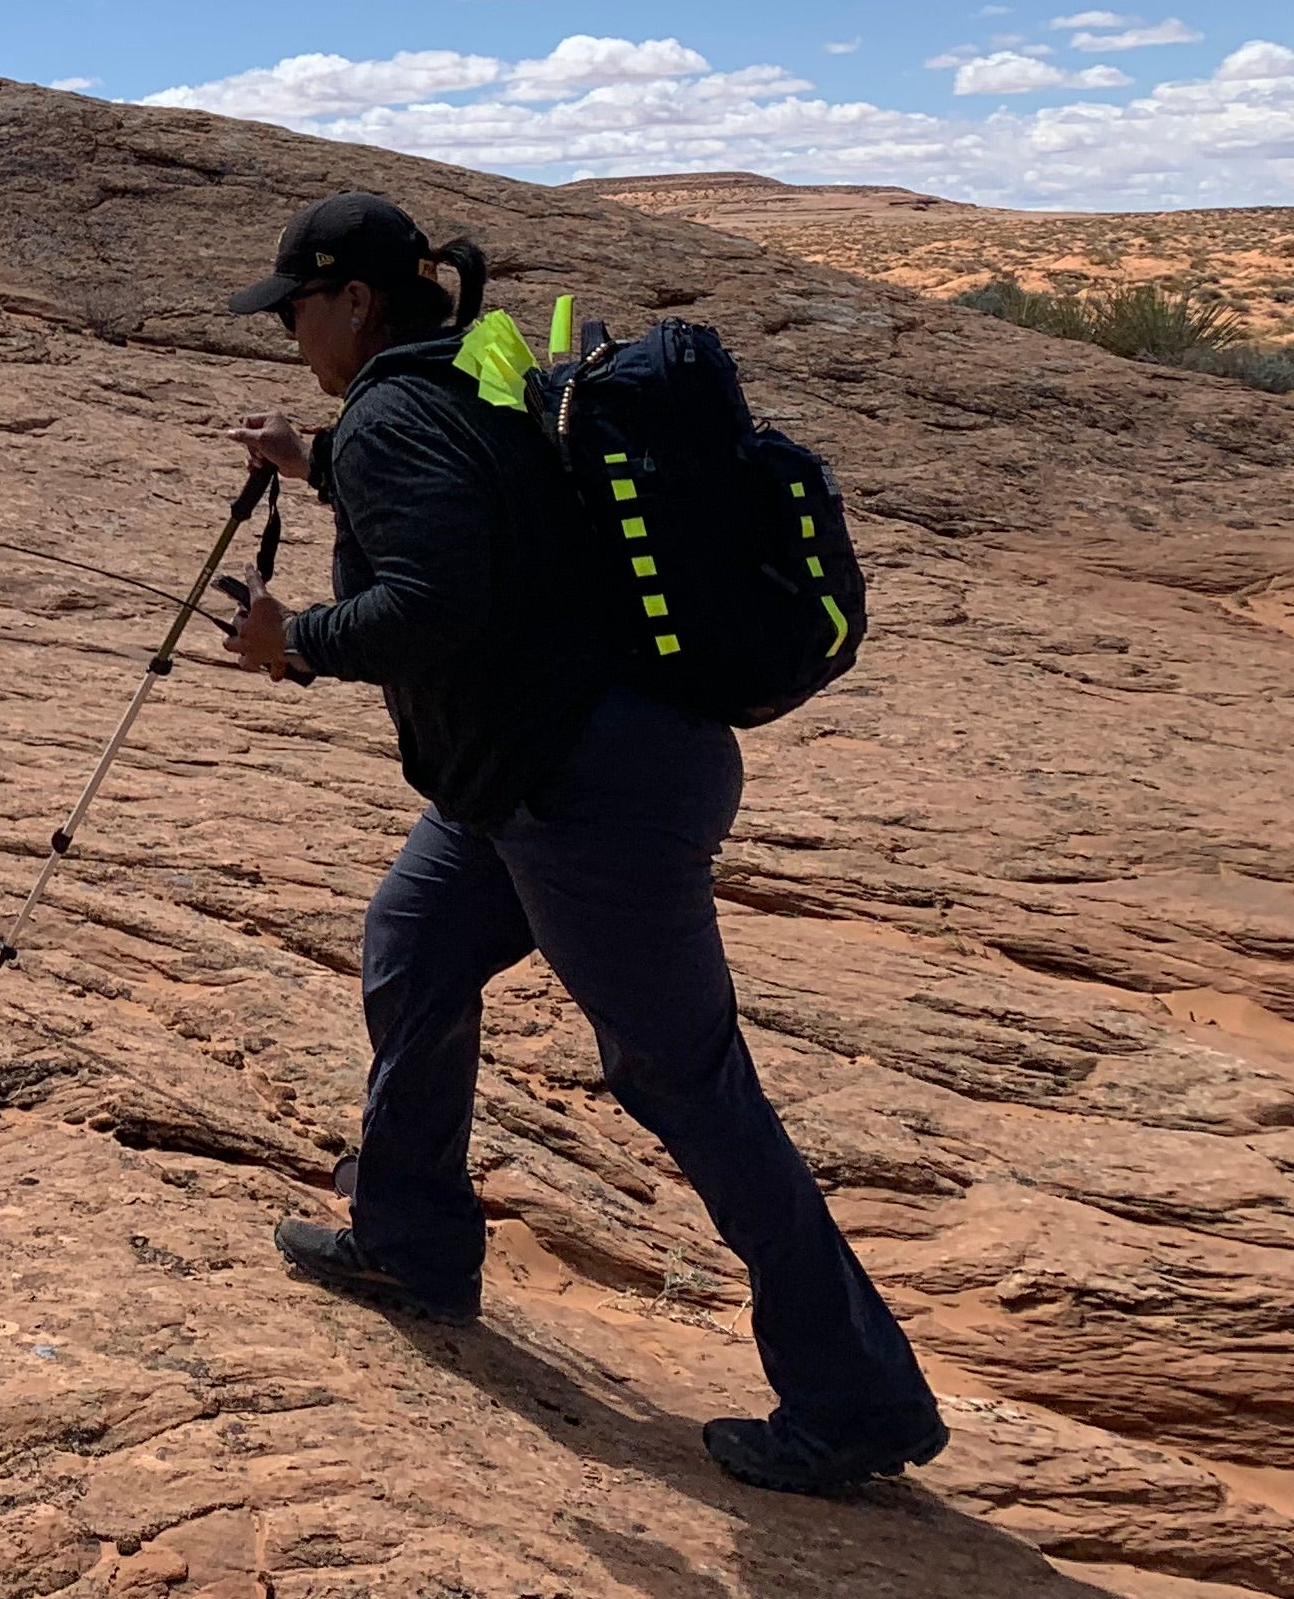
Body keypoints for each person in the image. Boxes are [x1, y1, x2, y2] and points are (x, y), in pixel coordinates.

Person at [216, 190, 947, 1501]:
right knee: (415, 947)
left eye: (297, 310)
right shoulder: (464, 374)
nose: (291, 336)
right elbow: (489, 501)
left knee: (685, 1083)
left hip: (586, 793)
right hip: (547, 775)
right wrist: (311, 462)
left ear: (356, 302)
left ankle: (854, 1399)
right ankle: (413, 1242)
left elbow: (433, 602)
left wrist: (296, 643)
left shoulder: (393, 412)